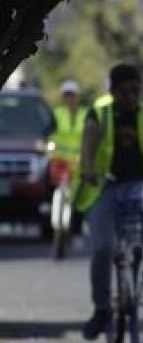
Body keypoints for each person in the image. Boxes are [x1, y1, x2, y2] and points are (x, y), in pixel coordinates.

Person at [74, 63, 143, 340]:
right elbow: (87, 147)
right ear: (113, 91)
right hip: (104, 186)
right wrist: (87, 170)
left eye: (136, 90)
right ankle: (101, 310)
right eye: (125, 91)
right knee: (103, 248)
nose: (131, 95)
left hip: (140, 183)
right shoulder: (99, 114)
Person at [48, 80, 89, 237]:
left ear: (77, 96)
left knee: (79, 196)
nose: (69, 98)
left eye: (72, 95)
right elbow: (48, 131)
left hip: (80, 162)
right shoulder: (58, 113)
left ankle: (76, 228)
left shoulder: (86, 114)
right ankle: (56, 226)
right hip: (60, 161)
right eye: (66, 95)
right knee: (57, 190)